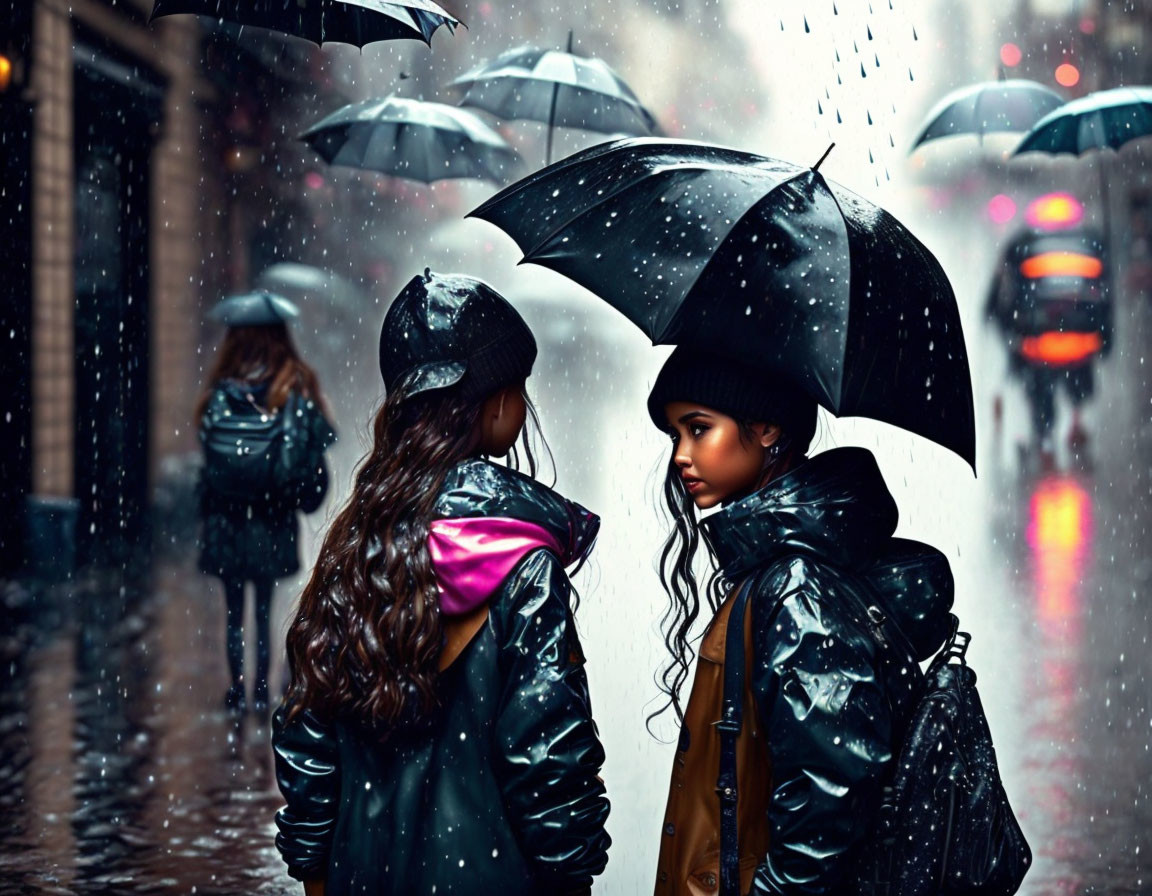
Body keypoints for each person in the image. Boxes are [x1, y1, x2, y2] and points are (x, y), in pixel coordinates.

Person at [272, 271, 611, 896]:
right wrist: (569, 871)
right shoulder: (522, 568)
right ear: (492, 399)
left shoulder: (354, 547)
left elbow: (307, 736)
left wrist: (317, 868)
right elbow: (549, 754)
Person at [645, 347, 955, 896]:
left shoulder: (796, 588)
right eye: (675, 435)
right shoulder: (772, 568)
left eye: (698, 429)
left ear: (766, 429)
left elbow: (827, 803)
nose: (681, 456)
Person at [196, 290, 335, 717]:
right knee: (263, 605)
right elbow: (320, 442)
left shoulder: (221, 389)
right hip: (272, 517)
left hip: (228, 518)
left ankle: (236, 690)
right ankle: (261, 690)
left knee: (234, 610)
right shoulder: (294, 384)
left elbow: (207, 447)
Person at [985, 225, 1111, 466]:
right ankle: (1074, 422)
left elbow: (999, 310)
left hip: (1037, 349)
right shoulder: (1088, 247)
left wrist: (1014, 348)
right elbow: (1105, 306)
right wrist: (1104, 342)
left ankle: (1045, 441)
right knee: (1075, 384)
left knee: (1040, 393)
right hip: (1079, 347)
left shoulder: (1018, 251)